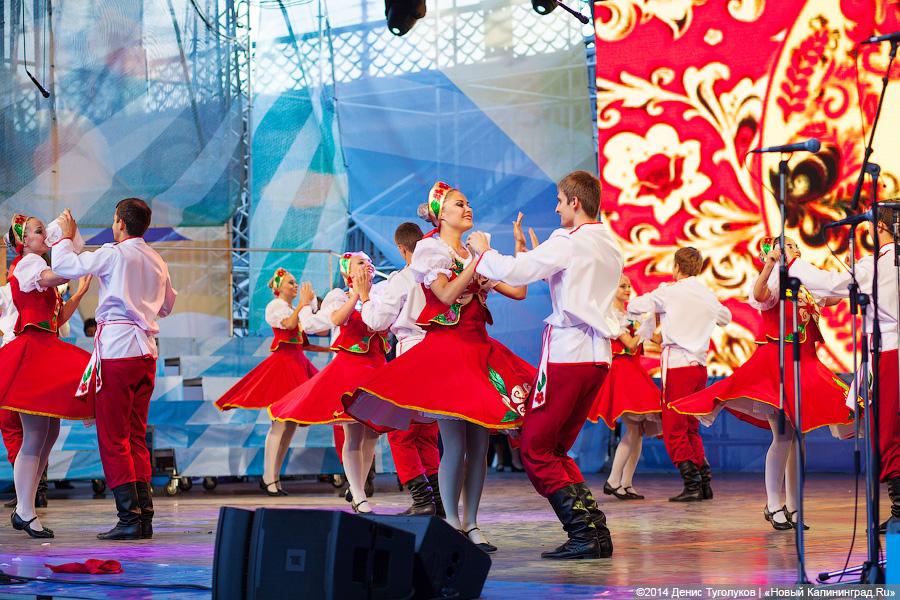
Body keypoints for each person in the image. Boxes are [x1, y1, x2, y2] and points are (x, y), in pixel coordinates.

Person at [344, 182, 533, 553]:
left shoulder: (472, 250)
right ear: (440, 214)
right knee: (455, 443)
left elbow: (518, 291)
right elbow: (445, 295)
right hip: (447, 354)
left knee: (479, 445)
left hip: (479, 352)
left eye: (468, 202)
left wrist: (519, 251)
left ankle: (472, 522)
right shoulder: (431, 250)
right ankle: (451, 523)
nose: (467, 208)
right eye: (459, 204)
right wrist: (479, 259)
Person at [468, 170, 623, 560]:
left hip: (569, 354)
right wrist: (532, 255)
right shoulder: (609, 242)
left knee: (536, 448)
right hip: (598, 357)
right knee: (555, 448)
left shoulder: (568, 240)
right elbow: (560, 279)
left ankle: (584, 533)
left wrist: (483, 251)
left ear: (575, 201)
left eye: (559, 201)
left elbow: (516, 273)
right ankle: (594, 531)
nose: (556, 209)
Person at [670, 237, 852, 529]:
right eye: (788, 245)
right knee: (783, 436)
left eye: (795, 245)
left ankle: (794, 507)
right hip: (775, 367)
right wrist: (770, 265)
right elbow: (759, 293)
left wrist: (850, 275)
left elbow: (832, 297)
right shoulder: (774, 283)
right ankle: (774, 504)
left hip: (804, 365)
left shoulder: (805, 287)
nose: (795, 248)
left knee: (799, 438)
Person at [52, 201, 177, 541]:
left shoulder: (114, 253)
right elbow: (167, 306)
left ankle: (129, 518)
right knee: (135, 435)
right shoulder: (157, 259)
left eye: (113, 219)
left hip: (118, 350)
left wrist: (65, 237)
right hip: (145, 351)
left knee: (113, 438)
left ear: (120, 223)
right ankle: (143, 516)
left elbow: (65, 265)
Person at [785, 213, 899, 533]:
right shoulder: (881, 263)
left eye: (870, 225)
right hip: (889, 348)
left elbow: (833, 283)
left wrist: (793, 264)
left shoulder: (877, 264)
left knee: (888, 431)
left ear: (880, 227)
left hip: (889, 351)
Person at [268, 252, 390, 514]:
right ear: (347, 273)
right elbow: (335, 320)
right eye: (360, 263)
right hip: (350, 368)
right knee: (353, 433)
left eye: (370, 262)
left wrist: (368, 295)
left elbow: (385, 322)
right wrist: (356, 295)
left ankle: (357, 488)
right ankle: (359, 495)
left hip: (377, 368)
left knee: (372, 435)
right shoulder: (339, 296)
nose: (368, 265)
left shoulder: (382, 294)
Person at [0, 214, 93, 538]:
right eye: (39, 231)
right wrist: (67, 239)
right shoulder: (29, 264)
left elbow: (57, 317)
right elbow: (60, 273)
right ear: (24, 242)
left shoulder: (39, 266)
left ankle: (25, 507)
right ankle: (25, 510)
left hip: (46, 347)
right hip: (32, 353)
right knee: (36, 435)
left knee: (48, 434)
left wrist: (79, 294)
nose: (45, 235)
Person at [627, 247, 731, 502]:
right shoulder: (706, 294)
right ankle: (703, 481)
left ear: (676, 266)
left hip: (677, 365)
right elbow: (725, 318)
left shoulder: (669, 292)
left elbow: (637, 306)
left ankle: (692, 483)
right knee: (691, 425)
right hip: (699, 367)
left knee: (674, 426)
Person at [354, 222, 444, 517]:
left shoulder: (403, 278)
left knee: (400, 432)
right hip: (439, 354)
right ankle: (437, 498)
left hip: (412, 355)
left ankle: (423, 497)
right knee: (426, 431)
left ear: (402, 249)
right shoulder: (439, 275)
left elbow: (377, 321)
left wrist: (365, 295)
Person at [214, 267, 320, 496]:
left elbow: (306, 337)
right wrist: (302, 305)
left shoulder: (293, 309)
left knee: (290, 424)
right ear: (279, 288)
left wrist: (310, 305)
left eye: (295, 282)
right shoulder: (276, 307)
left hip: (297, 364)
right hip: (283, 367)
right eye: (291, 282)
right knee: (280, 423)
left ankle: (275, 477)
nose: (295, 285)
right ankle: (268, 477)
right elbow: (288, 325)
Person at [587, 275, 662, 501]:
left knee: (637, 430)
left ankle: (625, 483)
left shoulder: (631, 314)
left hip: (633, 371)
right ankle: (613, 481)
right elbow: (630, 344)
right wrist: (645, 328)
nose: (628, 289)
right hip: (622, 373)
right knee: (632, 428)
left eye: (629, 286)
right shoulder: (610, 315)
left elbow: (654, 340)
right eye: (622, 286)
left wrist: (655, 320)